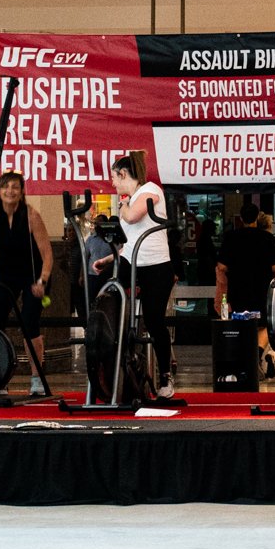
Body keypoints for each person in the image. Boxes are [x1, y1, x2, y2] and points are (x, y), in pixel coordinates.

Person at [111, 152, 177, 399]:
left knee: (154, 320)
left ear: (123, 174)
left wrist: (123, 206)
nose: (113, 184)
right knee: (107, 292)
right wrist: (107, 259)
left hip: (156, 265)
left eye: (114, 178)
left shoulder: (150, 190)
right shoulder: (131, 199)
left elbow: (132, 217)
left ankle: (166, 378)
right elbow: (129, 241)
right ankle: (112, 358)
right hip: (132, 260)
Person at [0, 171, 56, 398]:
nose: (10, 191)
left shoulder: (31, 215)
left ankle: (37, 378)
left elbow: (47, 255)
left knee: (29, 323)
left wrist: (42, 281)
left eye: (15, 187)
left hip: (33, 275)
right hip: (5, 274)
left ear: (22, 191)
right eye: (6, 187)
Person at [216, 200, 275, 378]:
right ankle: (257, 352)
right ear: (257, 217)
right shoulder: (267, 238)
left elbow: (222, 266)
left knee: (241, 322)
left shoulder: (231, 237)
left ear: (241, 218)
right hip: (261, 290)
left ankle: (245, 359)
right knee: (263, 325)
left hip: (238, 289)